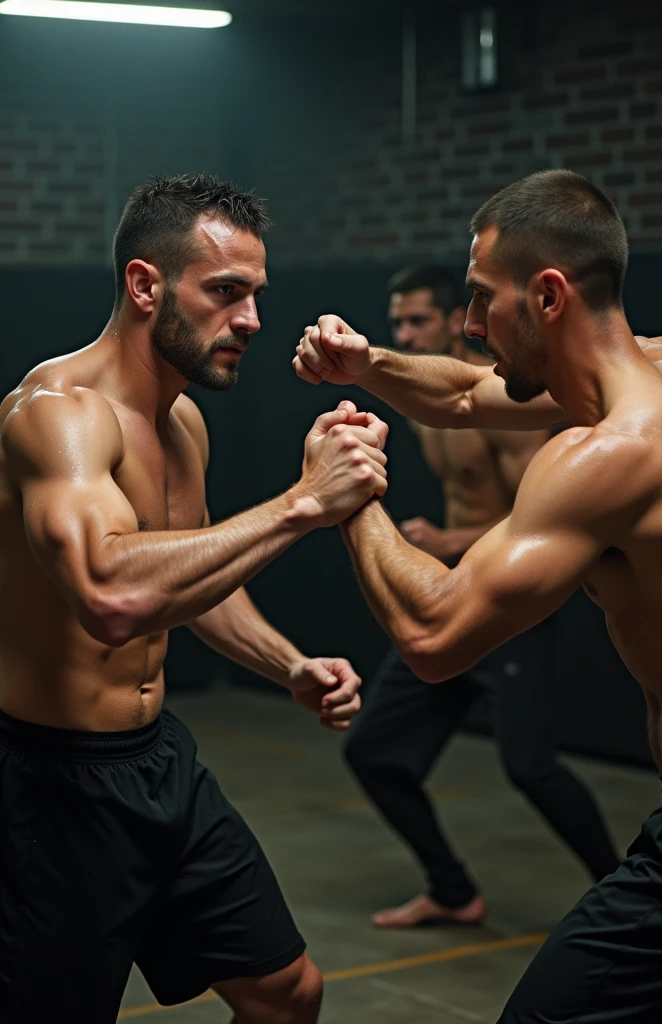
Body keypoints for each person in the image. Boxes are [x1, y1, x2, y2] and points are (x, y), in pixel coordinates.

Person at [293, 169, 662, 1022]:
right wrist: (368, 365)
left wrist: (347, 493)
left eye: (479, 299)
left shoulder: (609, 455)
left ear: (547, 297)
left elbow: (434, 635)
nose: (469, 326)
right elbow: (470, 393)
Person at [0, 173, 389, 1024]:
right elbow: (109, 591)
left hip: (158, 767)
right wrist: (302, 505)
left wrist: (288, 665)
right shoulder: (59, 417)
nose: (250, 320)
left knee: (289, 994)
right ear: (145, 285)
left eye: (254, 295)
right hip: (49, 789)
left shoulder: (183, 424)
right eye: (224, 293)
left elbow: (191, 581)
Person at [343, 264, 619, 929]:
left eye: (418, 321)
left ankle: (631, 894)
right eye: (398, 322)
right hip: (451, 595)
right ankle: (452, 888)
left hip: (510, 606)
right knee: (372, 751)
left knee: (529, 767)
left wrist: (444, 536)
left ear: (452, 320)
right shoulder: (424, 408)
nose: (406, 332)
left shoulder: (504, 403)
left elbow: (543, 517)